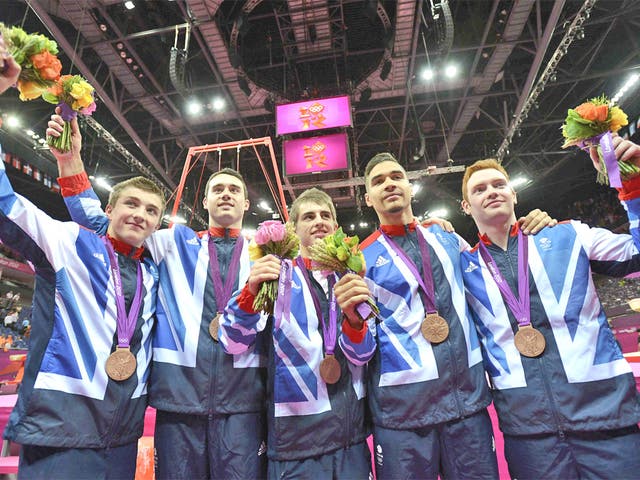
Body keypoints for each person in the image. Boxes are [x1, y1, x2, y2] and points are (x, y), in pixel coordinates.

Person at [48, 113, 267, 479]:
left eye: (234, 190)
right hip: (178, 405)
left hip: (243, 405)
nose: (226, 194)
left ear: (247, 205)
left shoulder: (267, 255)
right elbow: (109, 226)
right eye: (218, 189)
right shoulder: (171, 242)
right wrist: (71, 163)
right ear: (206, 202)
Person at [333, 152, 553, 479]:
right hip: (401, 419)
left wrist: (529, 227)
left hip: (466, 410)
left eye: (396, 176)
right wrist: (351, 323)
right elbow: (359, 353)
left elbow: (496, 278)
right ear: (368, 197)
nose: (389, 184)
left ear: (410, 186)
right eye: (378, 181)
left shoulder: (448, 239)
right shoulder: (359, 261)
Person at [0, 105, 164, 478]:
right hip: (61, 434)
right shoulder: (67, 243)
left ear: (158, 223)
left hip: (122, 439)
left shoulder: (154, 271)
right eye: (132, 204)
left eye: (151, 210)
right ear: (109, 209)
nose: (140, 214)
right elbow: (6, 206)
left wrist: (72, 164)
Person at [459, 142, 640, 479]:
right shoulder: (460, 267)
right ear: (467, 206)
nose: (491, 192)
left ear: (514, 195)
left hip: (606, 420)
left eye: (499, 185)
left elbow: (636, 252)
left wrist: (633, 185)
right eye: (479, 189)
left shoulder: (570, 234)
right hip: (529, 437)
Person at [220, 188, 372, 479]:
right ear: (293, 228)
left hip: (348, 437)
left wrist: (354, 321)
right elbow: (232, 342)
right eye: (309, 216)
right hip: (294, 442)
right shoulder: (273, 275)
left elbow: (363, 354)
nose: (319, 221)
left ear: (337, 228)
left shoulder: (351, 279)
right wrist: (250, 294)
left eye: (326, 215)